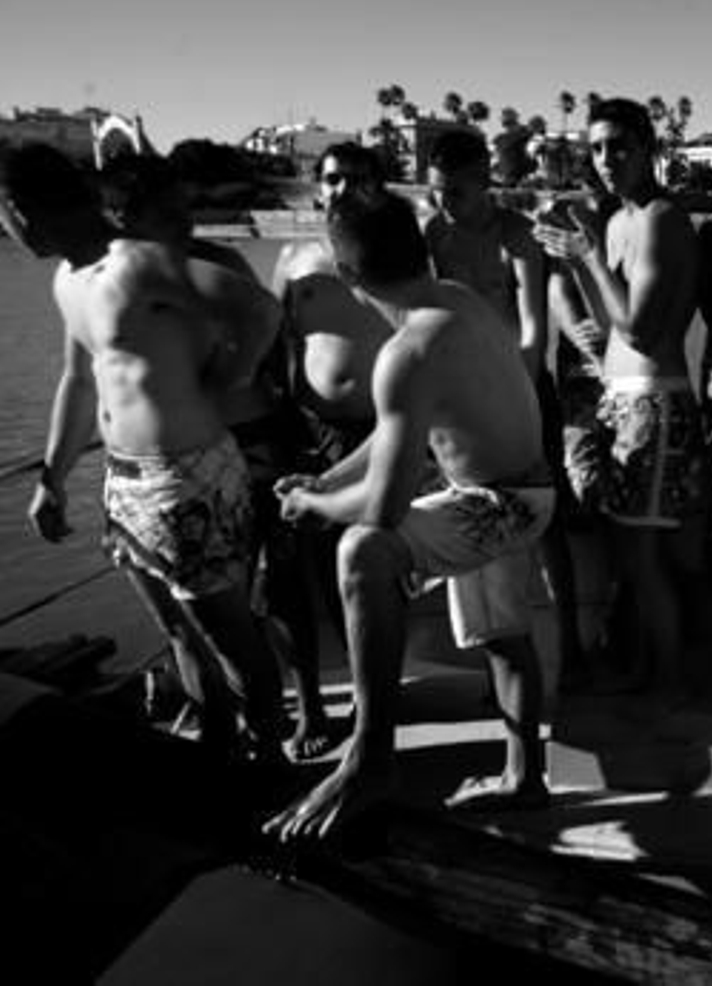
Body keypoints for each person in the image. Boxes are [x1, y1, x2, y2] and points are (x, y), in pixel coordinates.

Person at [264, 190, 556, 842]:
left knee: (362, 551)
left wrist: (311, 504)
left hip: (499, 504)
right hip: (522, 494)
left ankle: (371, 761)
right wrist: (325, 477)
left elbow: (385, 509)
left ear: (346, 277)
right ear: (421, 250)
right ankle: (525, 780)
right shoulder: (456, 299)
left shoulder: (407, 351)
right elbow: (402, 428)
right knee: (503, 638)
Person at [0, 142, 286, 760]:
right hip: (123, 480)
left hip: (185, 477)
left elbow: (258, 309)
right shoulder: (68, 279)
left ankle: (269, 755)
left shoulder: (139, 264)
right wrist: (51, 476)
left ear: (19, 211)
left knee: (229, 635)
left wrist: (227, 383)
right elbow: (79, 380)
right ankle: (217, 747)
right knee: (177, 631)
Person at [99, 151, 337, 757]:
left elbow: (267, 337)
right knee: (190, 607)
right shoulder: (113, 281)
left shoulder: (219, 265)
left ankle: (308, 702)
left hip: (250, 437)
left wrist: (221, 385)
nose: (185, 224)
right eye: (168, 214)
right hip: (172, 465)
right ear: (125, 217)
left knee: (281, 585)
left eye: (187, 211)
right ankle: (218, 718)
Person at [534, 98, 712, 699]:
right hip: (620, 400)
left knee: (645, 561)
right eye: (598, 148)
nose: (607, 160)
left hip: (654, 405)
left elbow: (639, 328)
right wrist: (575, 263)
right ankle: (645, 667)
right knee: (629, 559)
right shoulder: (614, 222)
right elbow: (609, 324)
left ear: (649, 149)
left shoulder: (663, 218)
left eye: (620, 146)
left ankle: (667, 679)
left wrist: (584, 254)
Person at [423, 130, 584, 695]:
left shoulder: (514, 236)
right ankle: (494, 640)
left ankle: (572, 640)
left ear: (485, 184)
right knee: (469, 508)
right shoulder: (434, 235)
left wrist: (508, 387)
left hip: (519, 387)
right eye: (437, 192)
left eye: (458, 192)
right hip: (458, 397)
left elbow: (534, 327)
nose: (446, 204)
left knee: (549, 522)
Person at [268, 142, 394, 757]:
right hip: (304, 430)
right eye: (332, 179)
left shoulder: (392, 255)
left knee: (365, 568)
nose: (341, 189)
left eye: (355, 179)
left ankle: (375, 707)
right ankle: (311, 704)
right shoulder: (293, 256)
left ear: (378, 185)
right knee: (293, 575)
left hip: (372, 432)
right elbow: (277, 338)